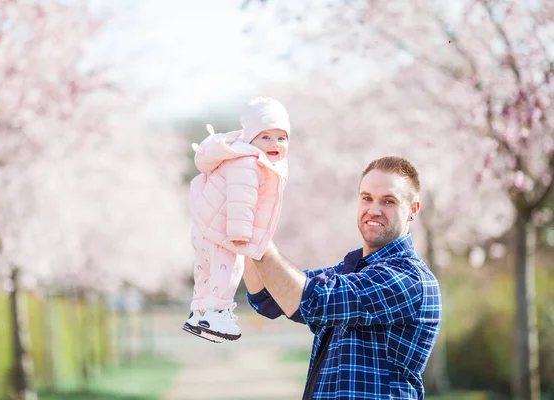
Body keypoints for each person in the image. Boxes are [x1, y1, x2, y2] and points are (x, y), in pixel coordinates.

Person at [244, 156, 442, 399]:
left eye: (388, 201)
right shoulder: (350, 271)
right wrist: (244, 230)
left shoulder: (408, 278)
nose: (374, 210)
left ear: (412, 210)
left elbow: (312, 300)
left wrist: (255, 233)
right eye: (367, 198)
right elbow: (268, 296)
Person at [183, 97, 291, 343]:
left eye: (281, 138)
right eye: (265, 137)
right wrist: (241, 233)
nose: (274, 143)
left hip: (205, 226)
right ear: (250, 138)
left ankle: (198, 313)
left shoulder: (240, 157)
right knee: (229, 269)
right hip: (224, 230)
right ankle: (217, 314)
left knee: (205, 272)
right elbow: (240, 198)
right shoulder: (247, 162)